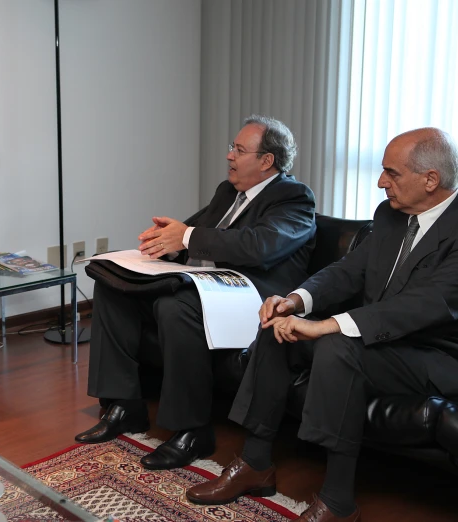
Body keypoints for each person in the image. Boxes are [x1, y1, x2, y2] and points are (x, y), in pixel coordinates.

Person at [186, 127, 458, 521]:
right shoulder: (391, 216)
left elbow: (428, 304)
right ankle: (256, 463)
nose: (381, 183)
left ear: (431, 180)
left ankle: (338, 502)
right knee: (278, 329)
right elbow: (348, 271)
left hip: (437, 355)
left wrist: (328, 326)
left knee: (338, 346)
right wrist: (294, 302)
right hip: (385, 342)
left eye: (391, 174)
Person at [75, 115, 317, 470]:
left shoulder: (293, 199)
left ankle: (193, 431)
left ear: (267, 161)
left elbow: (260, 247)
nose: (229, 156)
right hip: (208, 289)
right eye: (231, 148)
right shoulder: (228, 192)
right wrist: (166, 244)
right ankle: (124, 405)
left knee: (177, 307)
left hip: (253, 300)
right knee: (113, 288)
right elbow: (193, 234)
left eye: (239, 149)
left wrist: (185, 236)